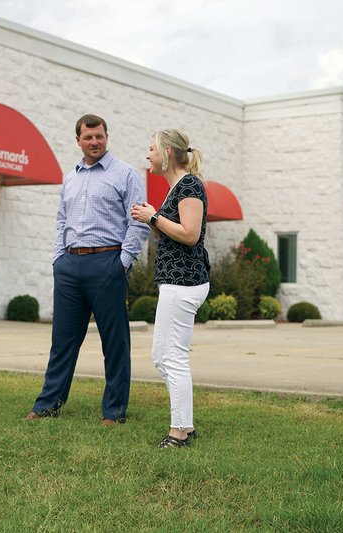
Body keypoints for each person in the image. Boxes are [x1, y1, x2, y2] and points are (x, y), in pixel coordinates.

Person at [25, 114, 150, 425]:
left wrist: (122, 263)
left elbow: (139, 222)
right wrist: (58, 259)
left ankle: (114, 411)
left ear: (106, 137)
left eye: (99, 136)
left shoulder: (126, 174)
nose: (94, 142)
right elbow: (61, 222)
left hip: (107, 263)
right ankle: (47, 405)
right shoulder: (71, 178)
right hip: (69, 266)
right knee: (63, 341)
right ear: (78, 140)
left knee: (115, 341)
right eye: (88, 137)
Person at [131, 129, 210, 448]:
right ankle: (185, 426)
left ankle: (179, 433)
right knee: (162, 357)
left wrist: (153, 218)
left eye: (151, 149)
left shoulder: (190, 184)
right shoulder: (178, 186)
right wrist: (153, 218)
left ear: (166, 152)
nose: (147, 155)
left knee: (172, 357)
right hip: (175, 283)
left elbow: (190, 234)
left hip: (184, 283)